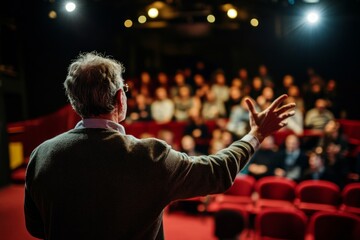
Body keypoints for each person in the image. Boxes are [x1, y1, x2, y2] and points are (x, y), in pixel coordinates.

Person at [24, 52, 295, 240]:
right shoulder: (149, 156)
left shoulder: (42, 154)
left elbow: (36, 227)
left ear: (74, 103)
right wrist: (257, 134)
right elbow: (218, 171)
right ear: (120, 99)